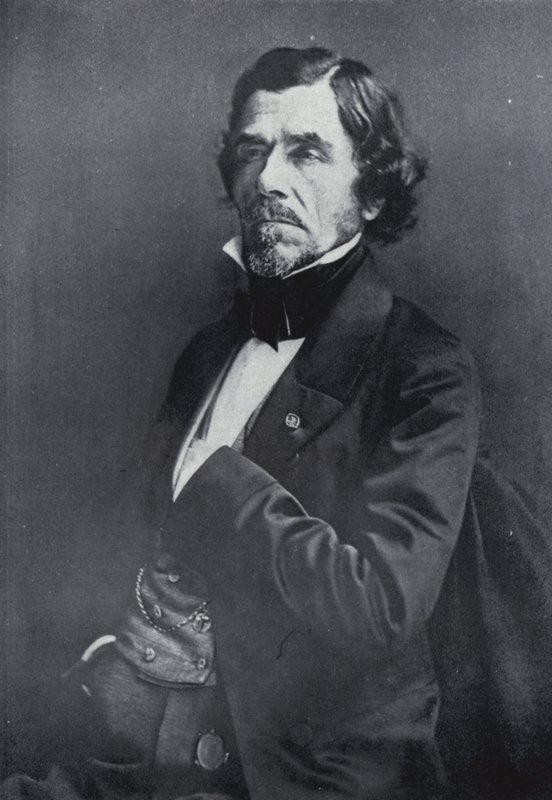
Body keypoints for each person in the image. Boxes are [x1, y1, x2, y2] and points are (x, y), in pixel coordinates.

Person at [2, 47, 481, 799]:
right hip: (130, 739)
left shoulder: (424, 368)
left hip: (293, 767)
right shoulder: (209, 350)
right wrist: (106, 652)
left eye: (307, 152)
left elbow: (380, 607)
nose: (269, 180)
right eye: (253, 152)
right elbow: (133, 535)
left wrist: (217, 483)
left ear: (372, 192)